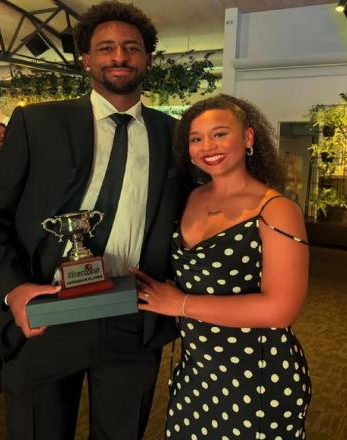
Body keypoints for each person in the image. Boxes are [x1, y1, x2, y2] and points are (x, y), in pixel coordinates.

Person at [0, 2, 186, 439]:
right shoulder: (38, 123)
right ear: (86, 59)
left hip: (133, 313)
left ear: (147, 58)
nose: (119, 56)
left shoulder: (173, 134)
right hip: (48, 310)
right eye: (105, 48)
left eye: (131, 48)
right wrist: (13, 289)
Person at [131, 94, 311, 439]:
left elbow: (281, 309)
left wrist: (180, 304)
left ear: (248, 138)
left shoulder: (276, 210)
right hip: (197, 369)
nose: (207, 147)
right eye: (196, 138)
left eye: (219, 134)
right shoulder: (191, 198)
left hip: (257, 374)